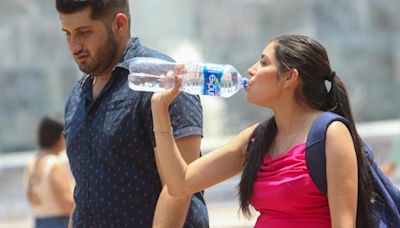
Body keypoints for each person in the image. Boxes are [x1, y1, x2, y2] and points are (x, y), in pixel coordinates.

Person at [151, 34, 375, 228]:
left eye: (263, 63)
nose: (251, 70)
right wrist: (160, 109)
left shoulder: (331, 133)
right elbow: (180, 183)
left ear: (290, 77)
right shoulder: (257, 137)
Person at [54, 1, 208, 227]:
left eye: (84, 33)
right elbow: (83, 195)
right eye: (67, 34)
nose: (74, 46)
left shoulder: (166, 80)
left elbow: (179, 189)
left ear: (119, 24)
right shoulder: (77, 96)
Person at [24, 116, 74, 228]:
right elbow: (67, 203)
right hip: (60, 222)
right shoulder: (54, 164)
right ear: (61, 136)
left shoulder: (32, 162)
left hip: (39, 222)